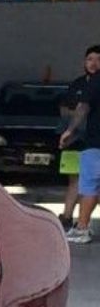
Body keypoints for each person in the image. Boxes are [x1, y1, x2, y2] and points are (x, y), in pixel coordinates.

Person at [60, 45, 100, 244]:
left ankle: (82, 228)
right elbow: (67, 107)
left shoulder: (94, 82)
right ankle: (73, 220)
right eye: (90, 59)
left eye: (98, 59)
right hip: (86, 144)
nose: (94, 63)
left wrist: (69, 130)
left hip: (94, 143)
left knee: (89, 186)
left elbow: (83, 108)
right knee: (80, 183)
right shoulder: (78, 84)